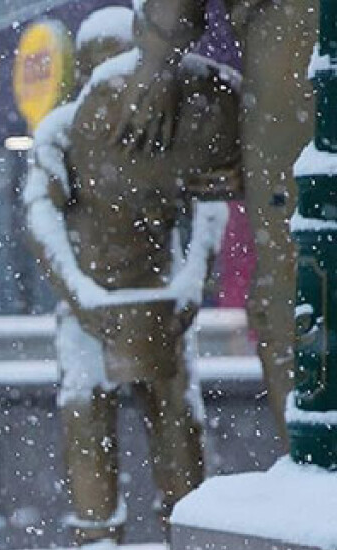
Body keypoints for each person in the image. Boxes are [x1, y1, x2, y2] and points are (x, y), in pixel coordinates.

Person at [24, 10, 241, 550]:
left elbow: (211, 207)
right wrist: (79, 294)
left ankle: (188, 534)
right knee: (87, 419)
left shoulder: (171, 130)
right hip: (90, 311)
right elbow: (40, 217)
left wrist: (192, 283)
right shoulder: (62, 131)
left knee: (177, 424)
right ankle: (96, 539)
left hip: (160, 300)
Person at [111, 0, 318, 444]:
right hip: (288, 52)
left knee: (292, 281)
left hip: (288, 45)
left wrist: (155, 61)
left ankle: (315, 467)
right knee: (294, 278)